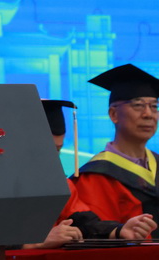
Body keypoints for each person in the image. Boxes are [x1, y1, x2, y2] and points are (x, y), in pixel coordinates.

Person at [21, 99, 155, 249]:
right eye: (45, 150)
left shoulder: (59, 184)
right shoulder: (0, 186)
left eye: (57, 150)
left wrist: (119, 231)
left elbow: (85, 223)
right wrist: (34, 242)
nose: (52, 160)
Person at [71, 64, 159, 239]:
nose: (148, 114)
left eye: (154, 106)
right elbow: (96, 236)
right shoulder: (96, 175)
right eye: (138, 105)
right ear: (113, 114)